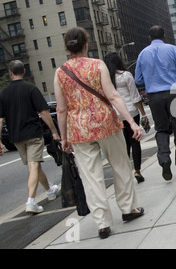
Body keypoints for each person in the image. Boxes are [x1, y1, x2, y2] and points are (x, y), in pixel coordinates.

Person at [54, 27, 144, 239]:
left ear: (67, 47)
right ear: (86, 44)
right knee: (121, 165)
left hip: (79, 129)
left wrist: (64, 137)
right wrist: (131, 122)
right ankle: (129, 209)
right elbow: (113, 96)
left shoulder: (60, 73)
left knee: (91, 177)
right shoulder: (98, 65)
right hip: (106, 123)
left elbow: (61, 109)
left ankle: (103, 224)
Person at [135, 25, 176, 180]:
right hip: (174, 93)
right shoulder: (173, 50)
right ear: (164, 36)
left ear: (149, 38)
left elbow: (138, 79)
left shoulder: (143, 54)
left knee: (161, 129)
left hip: (154, 97)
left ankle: (164, 158)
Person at [0, 60, 60, 214]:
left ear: (11, 73)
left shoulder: (3, 93)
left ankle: (49, 190)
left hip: (16, 137)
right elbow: (44, 112)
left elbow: (0, 119)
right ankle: (31, 201)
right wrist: (53, 131)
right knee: (34, 166)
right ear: (24, 72)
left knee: (34, 166)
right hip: (32, 133)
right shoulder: (31, 88)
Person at [105, 52, 148, 184]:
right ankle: (137, 171)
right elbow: (135, 96)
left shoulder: (105, 79)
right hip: (130, 112)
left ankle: (124, 174)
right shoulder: (125, 75)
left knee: (123, 145)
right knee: (135, 142)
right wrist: (144, 113)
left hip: (115, 115)